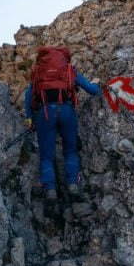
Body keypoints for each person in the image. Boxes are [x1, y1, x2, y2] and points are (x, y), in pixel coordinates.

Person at [23, 46, 100, 202]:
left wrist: (30, 118)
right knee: (70, 150)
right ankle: (72, 183)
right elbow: (92, 90)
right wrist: (96, 83)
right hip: (67, 111)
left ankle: (50, 188)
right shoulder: (68, 71)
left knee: (46, 155)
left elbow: (28, 95)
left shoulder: (39, 73)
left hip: (44, 113)